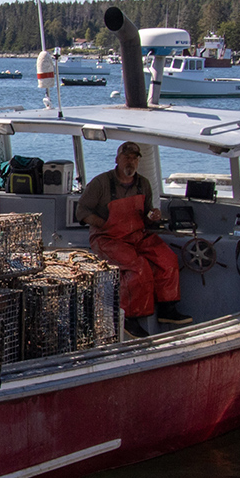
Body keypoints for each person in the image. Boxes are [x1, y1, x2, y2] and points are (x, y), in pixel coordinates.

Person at [76, 141, 192, 337]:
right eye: (126, 157)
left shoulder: (143, 184)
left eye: (134, 158)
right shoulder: (101, 183)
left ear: (138, 161)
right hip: (107, 238)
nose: (130, 162)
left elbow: (146, 214)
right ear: (117, 159)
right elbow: (82, 211)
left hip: (136, 235)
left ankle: (167, 309)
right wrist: (102, 223)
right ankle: (129, 319)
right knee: (138, 268)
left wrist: (152, 216)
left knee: (168, 258)